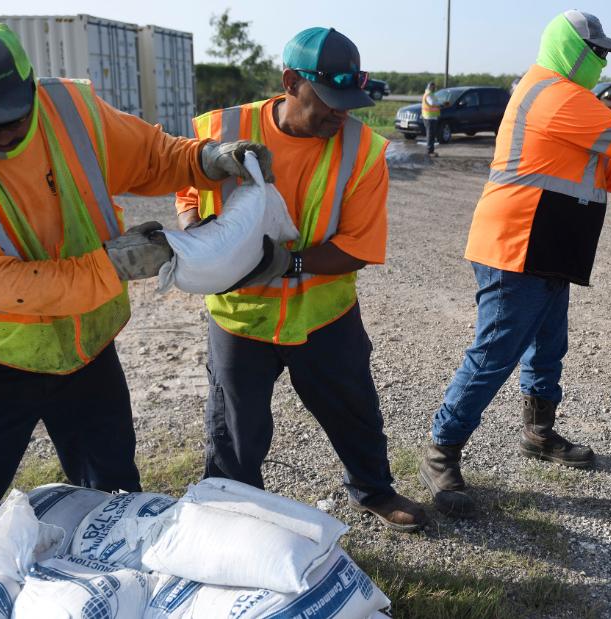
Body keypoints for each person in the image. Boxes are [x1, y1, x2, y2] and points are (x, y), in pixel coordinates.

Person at [0, 20, 269, 564]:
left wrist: (205, 159)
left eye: (14, 115)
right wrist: (118, 264)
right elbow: (1, 287)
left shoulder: (71, 111)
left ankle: (113, 585)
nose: (4, 134)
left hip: (85, 351)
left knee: (114, 502)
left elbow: (149, 156)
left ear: (31, 85)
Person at [419, 10, 611, 516]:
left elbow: (610, 169)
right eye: (598, 52)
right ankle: (441, 450)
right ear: (570, 49)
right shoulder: (552, 93)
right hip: (516, 244)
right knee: (494, 354)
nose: (603, 63)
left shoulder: (567, 99)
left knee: (547, 346)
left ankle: (538, 434)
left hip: (548, 244)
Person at [176, 27, 428, 532]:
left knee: (353, 410)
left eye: (349, 102)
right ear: (291, 82)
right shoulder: (220, 128)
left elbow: (357, 246)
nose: (341, 114)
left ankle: (373, 489)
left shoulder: (363, 151)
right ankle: (231, 510)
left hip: (323, 315)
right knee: (235, 428)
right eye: (329, 101)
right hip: (240, 318)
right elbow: (186, 195)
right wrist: (196, 234)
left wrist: (286, 264)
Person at [421, 81, 440, 156]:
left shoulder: (431, 94)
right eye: (433, 86)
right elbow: (432, 103)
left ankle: (431, 150)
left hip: (432, 117)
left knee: (432, 135)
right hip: (429, 117)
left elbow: (435, 102)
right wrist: (440, 104)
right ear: (430, 87)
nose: (434, 88)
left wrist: (440, 103)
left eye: (435, 86)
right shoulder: (428, 94)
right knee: (430, 134)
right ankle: (429, 151)